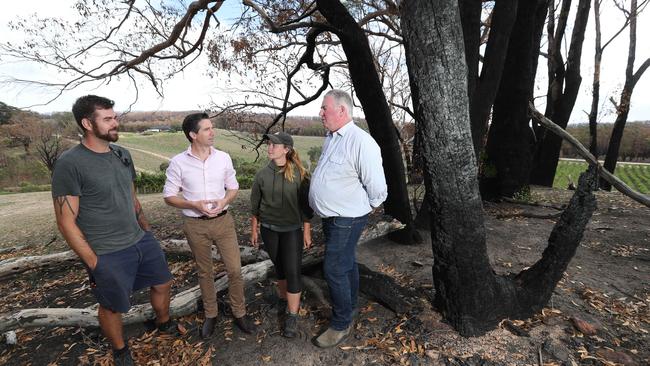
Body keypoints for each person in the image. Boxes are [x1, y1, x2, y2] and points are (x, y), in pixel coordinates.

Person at [51, 95, 174, 366]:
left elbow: (132, 198)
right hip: (106, 250)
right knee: (112, 305)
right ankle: (120, 350)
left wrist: (147, 232)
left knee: (163, 282)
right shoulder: (70, 164)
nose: (115, 122)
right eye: (107, 119)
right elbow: (65, 222)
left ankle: (162, 323)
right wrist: (94, 262)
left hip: (140, 240)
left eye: (114, 116)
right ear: (87, 123)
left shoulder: (122, 154)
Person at [163, 112, 256, 339]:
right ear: (193, 135)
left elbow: (233, 187)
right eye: (206, 129)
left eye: (211, 128)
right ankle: (211, 314)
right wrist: (192, 204)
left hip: (224, 222)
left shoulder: (223, 158)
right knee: (205, 272)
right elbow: (168, 196)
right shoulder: (178, 162)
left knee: (234, 269)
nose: (212, 132)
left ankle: (239, 312)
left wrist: (225, 200)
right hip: (195, 225)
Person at [309, 89, 388, 348]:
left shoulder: (361, 142)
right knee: (346, 263)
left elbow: (377, 187)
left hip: (347, 218)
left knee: (333, 268)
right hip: (332, 217)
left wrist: (366, 207)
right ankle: (352, 306)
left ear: (342, 111)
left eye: (324, 108)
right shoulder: (332, 138)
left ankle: (341, 324)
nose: (320, 113)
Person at [249, 131, 313, 338]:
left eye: (275, 145)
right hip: (269, 230)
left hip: (292, 230)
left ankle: (292, 316)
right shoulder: (261, 175)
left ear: (286, 149)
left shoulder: (300, 174)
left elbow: (306, 207)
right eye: (269, 144)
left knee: (293, 271)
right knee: (280, 269)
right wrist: (254, 230)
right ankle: (284, 301)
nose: (270, 147)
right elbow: (255, 207)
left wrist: (306, 231)